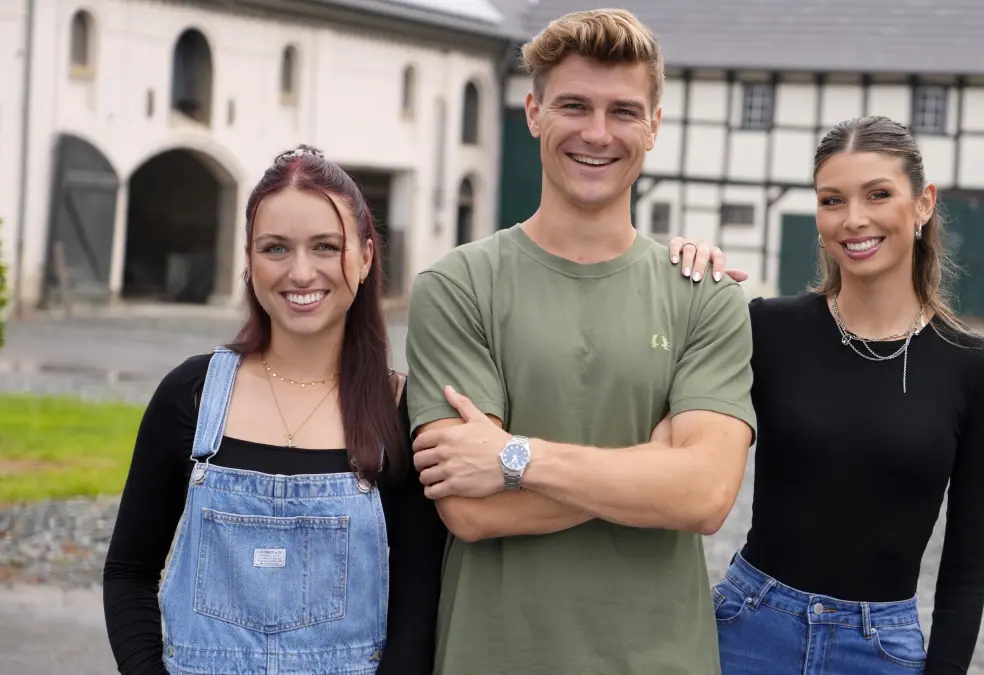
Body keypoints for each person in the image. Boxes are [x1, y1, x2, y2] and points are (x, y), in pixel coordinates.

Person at [402, 8, 757, 675]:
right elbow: (470, 510)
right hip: (497, 656)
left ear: (654, 126)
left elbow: (705, 496)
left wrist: (512, 456)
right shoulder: (457, 286)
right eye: (574, 106)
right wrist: (650, 470)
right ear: (534, 112)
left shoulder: (704, 293)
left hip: (662, 658)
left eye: (623, 111)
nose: (597, 133)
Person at [669, 115, 984, 674]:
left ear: (923, 203)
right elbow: (663, 414)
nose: (854, 220)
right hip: (747, 631)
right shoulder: (765, 328)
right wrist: (675, 279)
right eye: (832, 200)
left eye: (878, 194)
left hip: (879, 649)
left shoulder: (974, 367)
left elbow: (966, 567)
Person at [102, 145, 446, 675]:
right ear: (249, 258)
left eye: (326, 247)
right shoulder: (189, 397)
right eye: (276, 248)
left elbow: (418, 601)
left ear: (365, 257)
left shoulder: (398, 413)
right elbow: (128, 572)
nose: (301, 272)